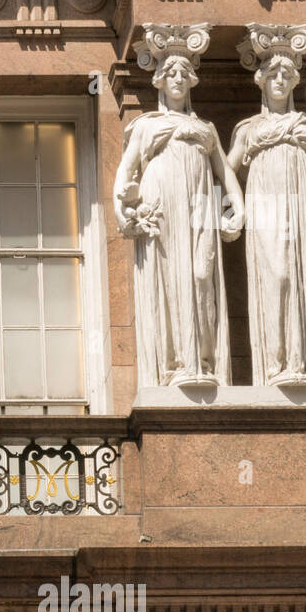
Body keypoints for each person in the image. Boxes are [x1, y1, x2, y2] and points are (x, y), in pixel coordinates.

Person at [113, 23, 246, 389]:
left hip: (200, 207)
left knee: (202, 275)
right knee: (171, 278)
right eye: (170, 73)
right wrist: (122, 209)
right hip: (163, 204)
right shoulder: (146, 126)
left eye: (183, 74)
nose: (176, 79)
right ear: (159, 80)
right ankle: (177, 363)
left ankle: (204, 359)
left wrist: (238, 208)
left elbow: (225, 172)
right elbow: (125, 171)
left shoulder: (205, 128)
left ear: (190, 82)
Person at [229, 23, 306, 387]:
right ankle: (275, 363)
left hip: (304, 203)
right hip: (266, 202)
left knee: (302, 276)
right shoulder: (248, 128)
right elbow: (225, 170)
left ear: (295, 82)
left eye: (287, 74)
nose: (280, 80)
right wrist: (226, 209)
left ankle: (302, 363)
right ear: (261, 80)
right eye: (273, 74)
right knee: (276, 275)